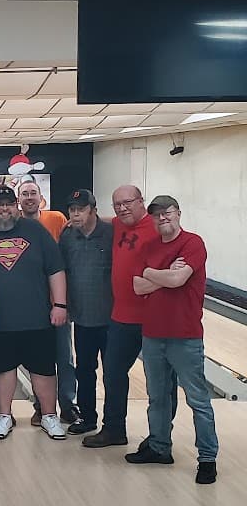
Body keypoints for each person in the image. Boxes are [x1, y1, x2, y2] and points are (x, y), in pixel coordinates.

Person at [127, 196, 218, 484]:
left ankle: (207, 458)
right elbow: (138, 286)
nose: (162, 218)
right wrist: (163, 274)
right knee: (157, 398)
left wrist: (153, 275)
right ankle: (159, 448)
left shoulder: (193, 243)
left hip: (185, 336)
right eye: (156, 215)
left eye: (167, 212)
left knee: (198, 400)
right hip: (152, 335)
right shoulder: (149, 246)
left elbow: (178, 281)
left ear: (178, 213)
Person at [83, 185, 176, 449]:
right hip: (121, 317)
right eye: (117, 204)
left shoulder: (156, 228)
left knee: (161, 383)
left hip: (154, 319)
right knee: (112, 375)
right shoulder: (118, 225)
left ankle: (160, 437)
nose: (122, 208)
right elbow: (105, 219)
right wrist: (81, 218)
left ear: (141, 202)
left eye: (128, 202)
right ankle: (114, 430)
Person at [0, 186, 67, 441]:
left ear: (16, 206)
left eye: (9, 204)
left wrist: (60, 305)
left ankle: (49, 415)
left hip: (37, 317)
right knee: (2, 368)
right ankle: (4, 415)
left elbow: (55, 269)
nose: (5, 210)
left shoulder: (36, 231)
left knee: (44, 369)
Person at [18, 179, 78, 425]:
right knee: (37, 359)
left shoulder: (56, 219)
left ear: (40, 197)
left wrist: (63, 302)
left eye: (33, 193)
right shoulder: (15, 224)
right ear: (19, 200)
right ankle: (41, 407)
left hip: (57, 302)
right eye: (24, 194)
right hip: (30, 305)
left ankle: (67, 405)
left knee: (64, 357)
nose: (29, 197)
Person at [59, 189, 113, 435]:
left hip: (113, 318)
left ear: (93, 210)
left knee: (112, 374)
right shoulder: (68, 236)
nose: (76, 213)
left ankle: (113, 425)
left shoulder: (112, 233)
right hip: (82, 317)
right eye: (72, 209)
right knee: (84, 370)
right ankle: (88, 418)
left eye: (81, 209)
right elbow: (62, 272)